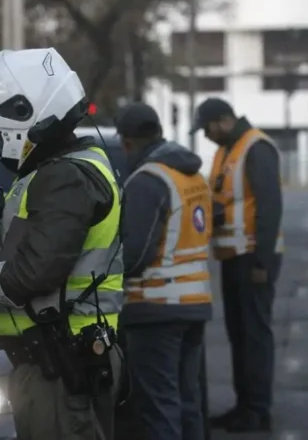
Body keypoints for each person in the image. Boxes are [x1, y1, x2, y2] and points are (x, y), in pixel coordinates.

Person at [0, 48, 124, 440]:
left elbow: (32, 275)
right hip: (59, 358)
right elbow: (42, 260)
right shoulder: (70, 169)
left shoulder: (64, 178)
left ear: (27, 119)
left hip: (61, 363)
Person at [116, 103, 213, 440]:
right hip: (195, 302)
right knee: (188, 403)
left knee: (158, 407)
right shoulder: (193, 175)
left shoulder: (147, 180)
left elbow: (135, 254)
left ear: (127, 143)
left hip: (155, 307)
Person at [192, 97, 284, 433]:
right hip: (233, 257)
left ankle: (258, 410)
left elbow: (270, 207)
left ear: (224, 120)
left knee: (255, 336)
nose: (206, 135)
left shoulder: (255, 147)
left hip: (254, 258)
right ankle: (244, 405)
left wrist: (261, 261)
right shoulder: (226, 150)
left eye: (207, 127)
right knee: (239, 335)